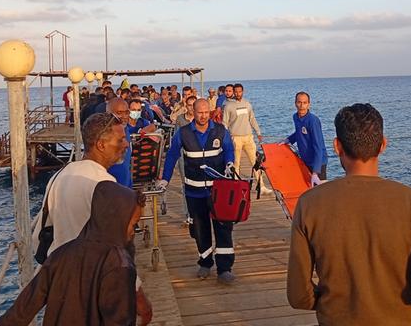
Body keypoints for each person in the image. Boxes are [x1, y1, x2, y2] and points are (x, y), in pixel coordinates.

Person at [287, 103, 411, 325]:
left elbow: (298, 295)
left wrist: (330, 302)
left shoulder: (310, 204)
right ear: (383, 145)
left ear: (337, 146)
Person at [31, 113, 151, 317]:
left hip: (61, 284)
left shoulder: (60, 176)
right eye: (120, 140)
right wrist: (139, 299)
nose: (126, 145)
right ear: (101, 144)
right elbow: (117, 248)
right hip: (94, 287)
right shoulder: (104, 186)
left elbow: (39, 233)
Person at [0, 183, 151, 326]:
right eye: (132, 224)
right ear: (117, 221)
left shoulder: (60, 254)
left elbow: (23, 308)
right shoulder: (120, 266)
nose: (133, 232)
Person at [157, 99, 238, 284]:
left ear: (210, 111)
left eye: (205, 112)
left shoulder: (220, 131)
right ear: (192, 112)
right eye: (199, 112)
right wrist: (165, 179)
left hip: (218, 191)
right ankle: (205, 262)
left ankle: (225, 268)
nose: (202, 116)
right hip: (194, 192)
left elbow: (229, 150)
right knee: (200, 230)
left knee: (223, 228)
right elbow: (171, 156)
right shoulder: (183, 133)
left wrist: (230, 163)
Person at [282, 91, 328, 187]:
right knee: (307, 189)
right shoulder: (295, 117)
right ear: (295, 103)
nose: (301, 105)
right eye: (299, 102)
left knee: (320, 191)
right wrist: (288, 140)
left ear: (309, 104)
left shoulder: (313, 121)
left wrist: (315, 172)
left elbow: (318, 146)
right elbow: (299, 133)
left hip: (318, 162)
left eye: (305, 103)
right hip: (305, 159)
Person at [222, 83, 262, 176]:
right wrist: (226, 138)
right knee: (236, 163)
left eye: (239, 92)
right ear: (234, 93)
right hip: (235, 138)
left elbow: (252, 119)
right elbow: (225, 123)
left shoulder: (247, 104)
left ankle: (261, 185)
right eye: (236, 92)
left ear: (243, 92)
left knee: (255, 162)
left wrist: (258, 132)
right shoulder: (228, 106)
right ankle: (236, 185)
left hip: (248, 137)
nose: (238, 94)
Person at [106, 98, 134, 188]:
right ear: (108, 114)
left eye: (126, 112)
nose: (124, 116)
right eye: (119, 113)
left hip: (126, 186)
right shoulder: (105, 135)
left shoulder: (125, 129)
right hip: (111, 187)